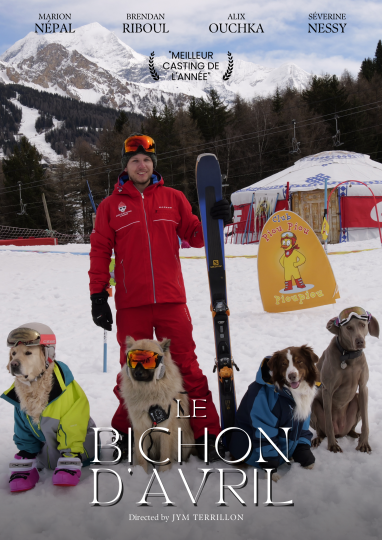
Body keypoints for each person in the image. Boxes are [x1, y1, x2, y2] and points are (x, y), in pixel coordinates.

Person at [89, 133, 232, 462]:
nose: (142, 165)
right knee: (132, 370)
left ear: (154, 165)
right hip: (131, 303)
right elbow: (99, 252)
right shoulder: (111, 207)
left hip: (171, 300)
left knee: (187, 368)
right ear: (126, 166)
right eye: (135, 160)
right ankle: (127, 432)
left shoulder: (173, 198)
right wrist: (99, 295)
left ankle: (206, 432)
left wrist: (219, 217)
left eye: (147, 160)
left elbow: (196, 236)